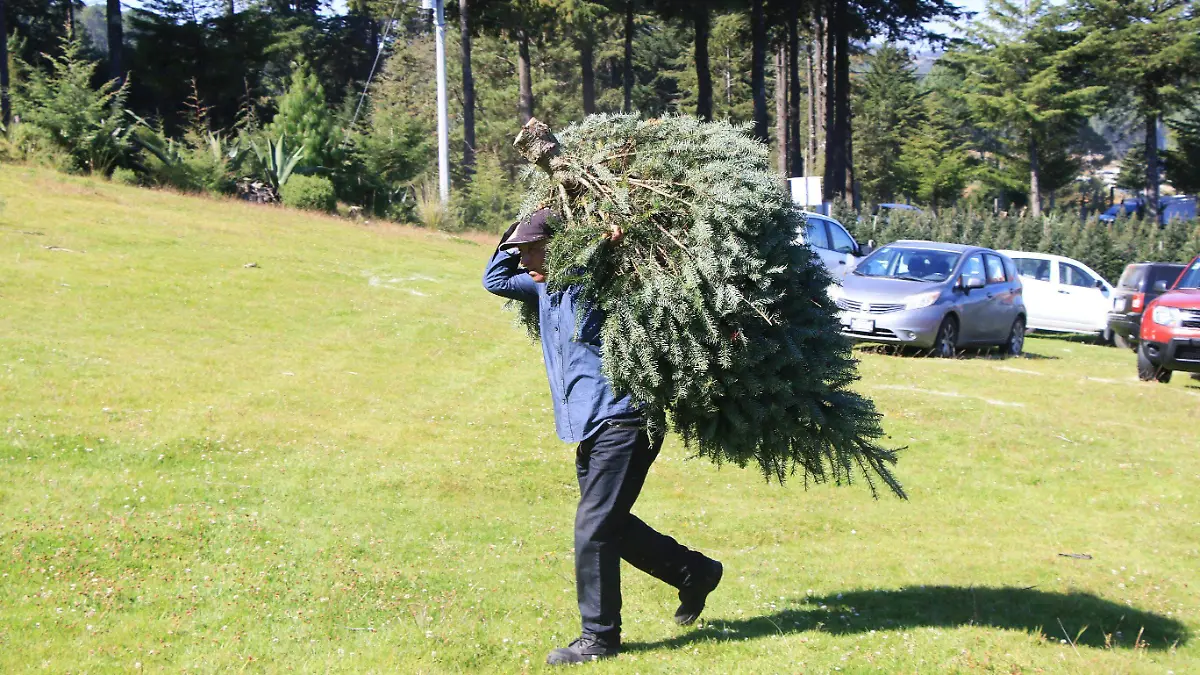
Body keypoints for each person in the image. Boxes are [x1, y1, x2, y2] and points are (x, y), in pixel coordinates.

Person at [483, 208, 723, 666]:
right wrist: (514, 233)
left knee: (593, 529)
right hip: (591, 427)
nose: (526, 257)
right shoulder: (540, 286)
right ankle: (696, 572)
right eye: (523, 251)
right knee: (608, 525)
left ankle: (599, 638)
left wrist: (601, 236)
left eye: (534, 248)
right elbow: (494, 279)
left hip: (626, 420)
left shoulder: (592, 284)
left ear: (561, 247)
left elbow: (613, 254)